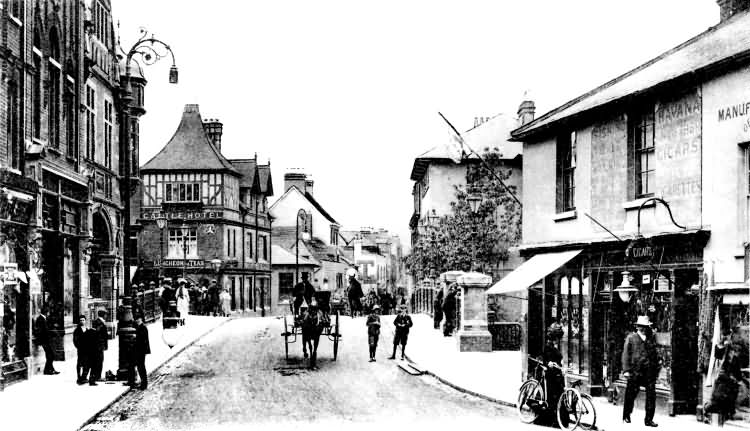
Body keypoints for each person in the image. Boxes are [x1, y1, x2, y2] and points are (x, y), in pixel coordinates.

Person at [622, 315, 660, 427]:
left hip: (649, 372)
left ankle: (649, 420)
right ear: (637, 327)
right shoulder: (631, 338)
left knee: (651, 395)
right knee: (630, 394)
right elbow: (625, 355)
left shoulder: (651, 338)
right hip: (635, 371)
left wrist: (656, 369)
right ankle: (626, 415)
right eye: (641, 326)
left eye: (645, 326)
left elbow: (655, 355)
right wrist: (626, 370)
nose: (643, 329)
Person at [543, 322, 567, 426]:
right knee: (554, 396)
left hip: (558, 373)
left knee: (560, 395)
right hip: (551, 374)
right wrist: (549, 363)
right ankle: (554, 420)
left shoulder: (557, 345)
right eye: (557, 337)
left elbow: (560, 358)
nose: (558, 339)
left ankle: (560, 420)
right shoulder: (548, 345)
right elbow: (546, 359)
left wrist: (562, 365)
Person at [127, 315, 150, 390]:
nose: (137, 321)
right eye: (136, 319)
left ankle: (144, 384)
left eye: (138, 319)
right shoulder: (138, 327)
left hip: (140, 351)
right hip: (137, 350)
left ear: (141, 319)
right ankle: (131, 382)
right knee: (132, 366)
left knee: (141, 367)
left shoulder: (143, 327)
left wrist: (135, 337)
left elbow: (143, 340)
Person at [34, 307, 58, 375]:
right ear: (46, 312)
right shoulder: (40, 319)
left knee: (50, 355)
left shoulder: (44, 318)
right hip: (44, 341)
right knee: (50, 355)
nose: (49, 313)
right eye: (48, 312)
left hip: (46, 340)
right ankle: (47, 370)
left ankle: (51, 369)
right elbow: (41, 331)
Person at [89, 309, 108, 386]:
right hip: (98, 345)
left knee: (100, 360)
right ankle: (97, 376)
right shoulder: (98, 322)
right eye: (105, 314)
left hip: (100, 345)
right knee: (98, 361)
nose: (106, 316)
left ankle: (97, 376)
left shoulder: (101, 322)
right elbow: (98, 333)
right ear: (103, 315)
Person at [73, 315, 89, 385]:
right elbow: (75, 340)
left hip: (87, 349)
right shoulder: (77, 330)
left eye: (83, 320)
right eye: (81, 320)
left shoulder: (87, 329)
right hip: (81, 349)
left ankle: (84, 377)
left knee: (86, 363)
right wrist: (78, 347)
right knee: (79, 363)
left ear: (85, 321)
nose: (82, 321)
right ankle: (79, 377)